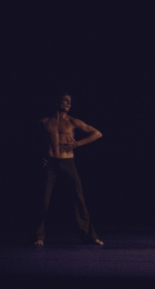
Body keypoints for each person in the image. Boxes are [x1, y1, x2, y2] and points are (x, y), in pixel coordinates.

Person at [34, 92, 104, 246]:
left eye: (70, 102)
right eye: (65, 101)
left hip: (67, 163)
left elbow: (97, 133)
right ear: (57, 102)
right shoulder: (44, 122)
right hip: (50, 165)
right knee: (43, 202)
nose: (68, 104)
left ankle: (90, 236)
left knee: (79, 200)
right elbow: (33, 141)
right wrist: (40, 155)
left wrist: (77, 144)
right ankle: (38, 235)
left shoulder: (73, 122)